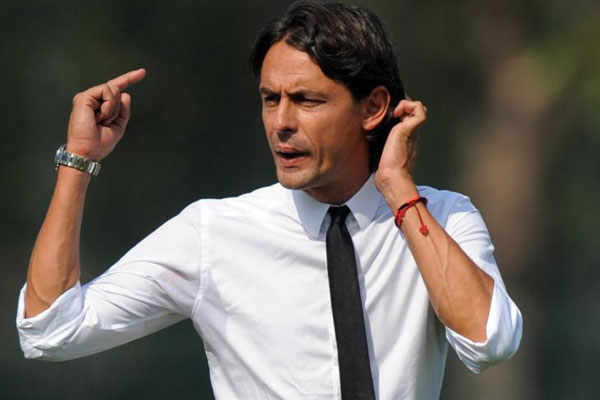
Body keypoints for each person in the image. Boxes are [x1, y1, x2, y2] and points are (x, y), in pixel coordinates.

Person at [16, 1, 522, 399]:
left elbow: (490, 344)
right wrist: (78, 161)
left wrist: (399, 192)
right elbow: (50, 331)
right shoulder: (212, 232)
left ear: (373, 108)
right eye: (270, 99)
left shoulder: (442, 216)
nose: (281, 123)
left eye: (306, 100)